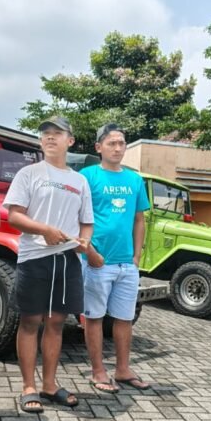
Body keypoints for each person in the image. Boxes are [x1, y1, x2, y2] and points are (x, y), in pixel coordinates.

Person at [3, 116, 94, 413]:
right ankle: (29, 386)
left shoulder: (80, 181)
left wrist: (84, 241)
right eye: (45, 133)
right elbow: (14, 215)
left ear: (71, 140)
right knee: (30, 322)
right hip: (34, 257)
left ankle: (50, 385)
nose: (50, 137)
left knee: (56, 323)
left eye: (57, 133)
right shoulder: (29, 173)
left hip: (67, 260)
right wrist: (44, 230)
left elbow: (87, 222)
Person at [80, 124, 151, 393]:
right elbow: (76, 217)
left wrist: (136, 256)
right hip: (97, 261)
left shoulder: (134, 180)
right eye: (112, 143)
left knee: (124, 319)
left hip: (126, 265)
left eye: (122, 143)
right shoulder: (87, 176)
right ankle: (98, 371)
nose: (118, 148)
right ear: (99, 147)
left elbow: (139, 219)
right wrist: (90, 253)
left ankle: (123, 370)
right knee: (94, 318)